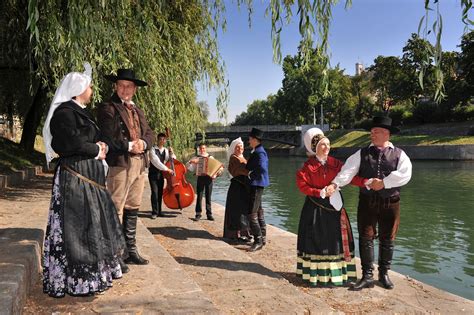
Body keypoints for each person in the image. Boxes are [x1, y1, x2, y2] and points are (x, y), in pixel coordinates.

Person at [42, 63, 126, 297]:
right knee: (76, 229)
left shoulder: (79, 112)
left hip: (87, 179)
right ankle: (77, 281)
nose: (92, 90)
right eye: (89, 86)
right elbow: (67, 143)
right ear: (79, 88)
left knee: (90, 226)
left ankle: (92, 279)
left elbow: (94, 138)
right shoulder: (64, 114)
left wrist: (104, 145)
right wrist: (95, 150)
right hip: (74, 180)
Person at [329, 115, 412, 290]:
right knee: (366, 237)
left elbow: (406, 174)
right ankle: (367, 275)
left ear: (387, 134)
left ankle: (384, 274)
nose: (372, 134)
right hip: (367, 201)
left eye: (377, 132)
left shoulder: (399, 154)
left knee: (388, 238)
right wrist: (335, 183)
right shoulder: (361, 153)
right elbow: (348, 171)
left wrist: (384, 182)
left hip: (391, 202)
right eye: (372, 131)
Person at [295, 128, 368, 287]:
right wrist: (319, 192)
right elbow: (302, 186)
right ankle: (317, 276)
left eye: (328, 144)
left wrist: (365, 182)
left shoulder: (336, 164)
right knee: (318, 240)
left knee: (336, 241)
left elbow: (349, 177)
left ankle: (337, 275)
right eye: (323, 145)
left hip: (335, 208)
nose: (327, 147)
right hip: (315, 209)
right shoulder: (307, 167)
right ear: (315, 148)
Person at [97, 68, 155, 266]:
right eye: (121, 85)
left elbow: (150, 134)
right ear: (115, 86)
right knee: (116, 207)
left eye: (129, 86)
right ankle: (115, 254)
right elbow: (108, 137)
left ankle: (130, 250)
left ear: (135, 89)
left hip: (140, 163)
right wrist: (131, 145)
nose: (125, 89)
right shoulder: (108, 107)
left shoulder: (138, 110)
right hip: (120, 163)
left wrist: (144, 144)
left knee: (133, 206)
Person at [223, 137, 252, 243]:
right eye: (238, 147)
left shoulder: (242, 157)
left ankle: (245, 233)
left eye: (242, 147)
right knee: (236, 211)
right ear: (234, 148)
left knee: (243, 211)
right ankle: (235, 234)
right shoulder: (234, 158)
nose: (240, 149)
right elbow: (240, 170)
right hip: (237, 187)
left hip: (243, 187)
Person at [245, 128, 270, 252]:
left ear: (255, 140)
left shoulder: (259, 152)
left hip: (256, 184)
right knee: (259, 211)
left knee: (252, 213)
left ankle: (258, 240)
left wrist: (251, 175)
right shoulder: (258, 150)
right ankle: (263, 237)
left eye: (250, 139)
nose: (249, 141)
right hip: (258, 183)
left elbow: (262, 168)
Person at [186, 143, 218, 221]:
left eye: (203, 148)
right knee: (199, 197)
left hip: (209, 179)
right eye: (201, 149)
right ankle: (198, 214)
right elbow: (190, 168)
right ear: (199, 149)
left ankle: (209, 214)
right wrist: (191, 161)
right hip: (200, 178)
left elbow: (216, 168)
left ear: (205, 149)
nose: (202, 150)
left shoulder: (211, 157)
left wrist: (215, 175)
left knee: (208, 197)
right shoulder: (196, 158)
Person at [148, 132, 175, 219]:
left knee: (160, 193)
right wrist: (167, 169)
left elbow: (172, 160)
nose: (162, 141)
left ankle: (159, 211)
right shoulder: (152, 150)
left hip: (161, 175)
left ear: (165, 140)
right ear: (157, 140)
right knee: (154, 193)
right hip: (153, 174)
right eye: (160, 139)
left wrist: (172, 153)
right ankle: (154, 212)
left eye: (164, 139)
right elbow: (156, 162)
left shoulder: (166, 150)